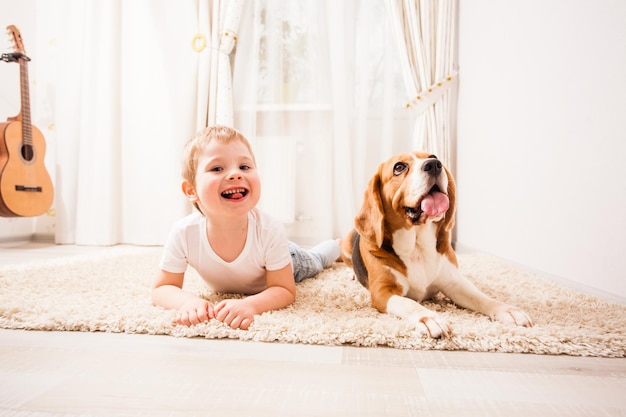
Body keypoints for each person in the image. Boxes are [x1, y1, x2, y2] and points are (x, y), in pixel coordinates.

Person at [152, 125, 340, 330]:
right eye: (217, 168)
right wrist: (187, 303)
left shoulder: (270, 230)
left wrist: (249, 305)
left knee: (316, 260)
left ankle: (338, 246)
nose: (235, 174)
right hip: (267, 254)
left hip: (291, 259)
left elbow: (284, 289)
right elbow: (162, 288)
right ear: (191, 190)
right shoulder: (184, 233)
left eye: (244, 167)